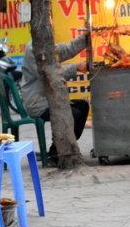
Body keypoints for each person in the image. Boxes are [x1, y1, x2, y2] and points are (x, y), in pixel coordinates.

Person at [21, 33, 90, 165]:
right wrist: (76, 68)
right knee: (73, 114)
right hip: (38, 103)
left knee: (83, 106)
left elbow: (66, 50)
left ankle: (63, 148)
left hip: (50, 99)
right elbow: (49, 75)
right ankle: (56, 153)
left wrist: (86, 38)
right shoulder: (34, 49)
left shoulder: (45, 45)